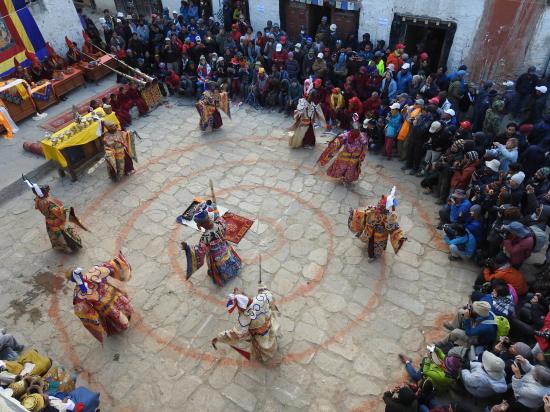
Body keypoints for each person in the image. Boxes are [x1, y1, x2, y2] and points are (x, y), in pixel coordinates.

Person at [66, 252, 133, 343]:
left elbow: (111, 267)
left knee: (125, 312)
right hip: (108, 305)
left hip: (111, 299)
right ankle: (123, 322)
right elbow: (111, 267)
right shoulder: (94, 272)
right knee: (123, 320)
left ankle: (125, 318)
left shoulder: (78, 294)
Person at [212, 285, 280, 363]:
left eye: (238, 307)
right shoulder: (261, 298)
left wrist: (219, 337)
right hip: (269, 324)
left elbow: (236, 333)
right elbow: (268, 293)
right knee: (271, 338)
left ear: (242, 306)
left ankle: (266, 356)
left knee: (264, 346)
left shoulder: (245, 318)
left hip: (260, 335)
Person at [181, 200, 242, 286]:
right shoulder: (220, 222)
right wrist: (211, 205)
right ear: (209, 218)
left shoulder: (205, 237)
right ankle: (233, 270)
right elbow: (217, 214)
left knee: (218, 264)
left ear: (200, 225)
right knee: (228, 256)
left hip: (216, 255)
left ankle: (223, 277)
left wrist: (187, 248)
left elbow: (200, 250)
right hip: (224, 246)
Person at [24, 178, 85, 253]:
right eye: (46, 191)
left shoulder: (37, 200)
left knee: (57, 236)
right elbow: (59, 213)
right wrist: (66, 208)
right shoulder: (49, 204)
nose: (48, 192)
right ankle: (70, 247)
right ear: (44, 193)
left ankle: (62, 247)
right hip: (57, 221)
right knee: (64, 234)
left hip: (49, 221)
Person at [348, 187, 406, 262]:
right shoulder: (373, 209)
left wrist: (400, 238)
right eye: (379, 204)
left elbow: (395, 229)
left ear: (385, 208)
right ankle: (371, 252)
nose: (378, 206)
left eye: (381, 206)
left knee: (375, 247)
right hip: (369, 231)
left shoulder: (389, 217)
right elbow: (363, 213)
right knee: (370, 243)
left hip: (379, 236)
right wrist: (354, 213)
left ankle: (372, 256)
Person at [317, 113, 369, 184]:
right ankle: (342, 178)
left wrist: (361, 158)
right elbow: (336, 143)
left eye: (357, 130)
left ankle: (346, 179)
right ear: (351, 130)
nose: (356, 131)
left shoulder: (362, 139)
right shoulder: (346, 136)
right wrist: (333, 144)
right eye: (354, 130)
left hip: (354, 159)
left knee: (350, 170)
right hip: (344, 157)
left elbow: (365, 148)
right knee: (342, 168)